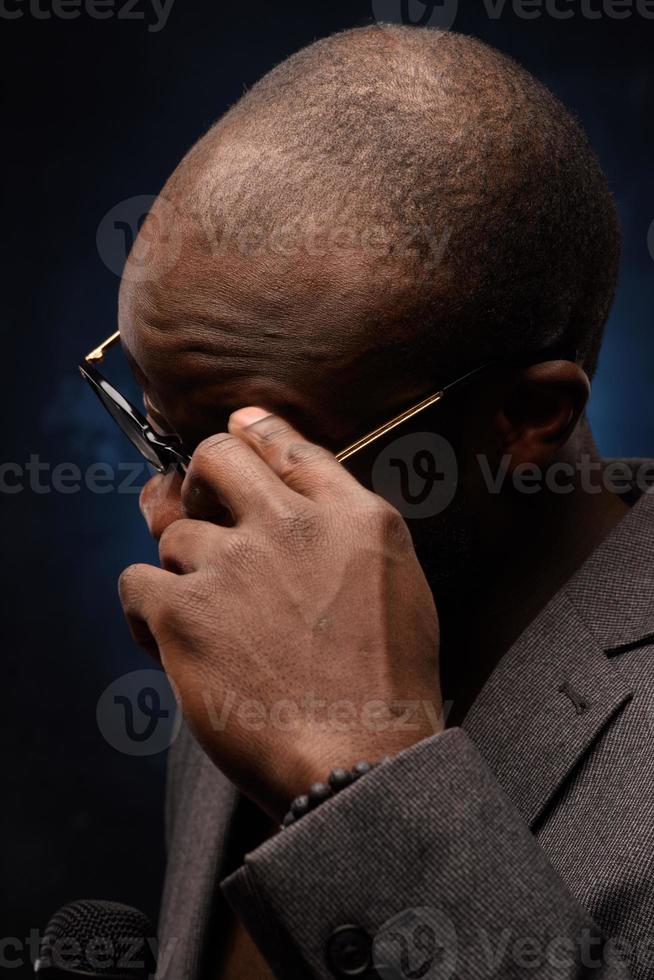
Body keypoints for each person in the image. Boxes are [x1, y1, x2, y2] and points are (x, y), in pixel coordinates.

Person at [111, 24, 653, 980]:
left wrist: (363, 782)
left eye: (264, 453)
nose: (173, 521)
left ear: (526, 417)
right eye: (159, 430)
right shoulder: (256, 618)